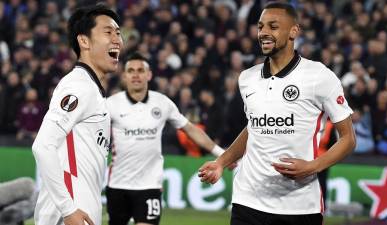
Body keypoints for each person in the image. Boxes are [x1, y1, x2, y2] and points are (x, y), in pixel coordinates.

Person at [198, 2, 356, 225]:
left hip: (300, 206)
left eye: (273, 26)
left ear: (294, 31)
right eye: (261, 26)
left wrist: (311, 167)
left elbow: (348, 139)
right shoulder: (247, 79)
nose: (263, 33)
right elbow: (254, 128)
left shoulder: (319, 76)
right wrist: (221, 162)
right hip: (248, 201)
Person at [105, 52, 227, 225]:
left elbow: (190, 129)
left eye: (140, 70)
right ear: (124, 76)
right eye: (131, 71)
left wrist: (221, 153)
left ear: (149, 74)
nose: (136, 75)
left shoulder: (162, 103)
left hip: (150, 186)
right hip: (118, 185)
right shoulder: (110, 104)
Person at [32, 4, 123, 225]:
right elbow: (42, 146)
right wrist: (68, 209)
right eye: (108, 32)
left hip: (79, 212)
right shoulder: (78, 86)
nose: (118, 40)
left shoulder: (92, 90)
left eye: (119, 33)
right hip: (68, 215)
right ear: (84, 41)